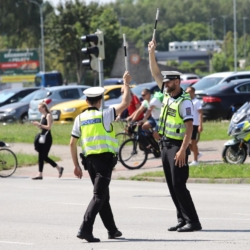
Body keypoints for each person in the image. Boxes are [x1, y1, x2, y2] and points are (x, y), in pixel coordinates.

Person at [69, 71, 131, 242]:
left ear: (86, 101)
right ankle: (85, 228)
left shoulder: (79, 119)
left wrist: (76, 166)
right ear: (100, 100)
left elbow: (72, 144)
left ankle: (112, 230)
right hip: (104, 162)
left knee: (103, 196)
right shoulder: (104, 114)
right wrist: (125, 83)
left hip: (89, 163)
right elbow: (126, 102)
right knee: (99, 196)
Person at [148, 39, 202, 232]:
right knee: (172, 185)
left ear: (177, 82)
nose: (166, 84)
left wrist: (182, 150)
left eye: (169, 81)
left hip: (177, 146)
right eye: (166, 82)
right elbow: (155, 72)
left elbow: (190, 128)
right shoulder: (168, 95)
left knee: (179, 184)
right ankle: (182, 218)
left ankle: (193, 221)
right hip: (165, 144)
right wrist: (151, 53)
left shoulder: (184, 102)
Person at [31, 102, 64, 180]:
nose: (38, 110)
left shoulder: (48, 115)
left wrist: (39, 124)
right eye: (38, 108)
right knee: (40, 156)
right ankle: (40, 174)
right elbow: (42, 127)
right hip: (42, 137)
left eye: (40, 108)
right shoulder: (42, 116)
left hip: (47, 138)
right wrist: (37, 125)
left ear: (44, 108)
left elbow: (48, 127)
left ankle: (59, 168)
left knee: (44, 156)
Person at [186, 86, 203, 166]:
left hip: (194, 124)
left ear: (193, 92)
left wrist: (200, 125)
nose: (187, 93)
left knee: (193, 142)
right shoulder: (187, 101)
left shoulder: (196, 102)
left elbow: (200, 113)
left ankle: (195, 160)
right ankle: (197, 153)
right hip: (187, 124)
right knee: (185, 141)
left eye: (189, 92)